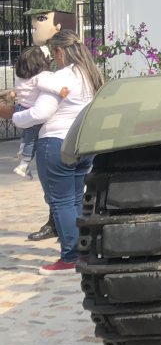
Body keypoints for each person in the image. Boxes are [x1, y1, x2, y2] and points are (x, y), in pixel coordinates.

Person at [0, 30, 103, 274]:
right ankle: (83, 250)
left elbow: (40, 113)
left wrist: (14, 117)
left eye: (53, 54)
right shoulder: (90, 73)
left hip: (56, 143)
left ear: (60, 51)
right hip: (82, 143)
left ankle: (70, 255)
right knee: (76, 200)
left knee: (61, 202)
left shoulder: (60, 77)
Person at [8, 46, 62, 178]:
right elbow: (48, 85)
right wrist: (61, 90)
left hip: (21, 107)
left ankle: (21, 148)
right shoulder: (40, 77)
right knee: (32, 139)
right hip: (31, 109)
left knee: (27, 133)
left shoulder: (20, 77)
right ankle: (24, 164)